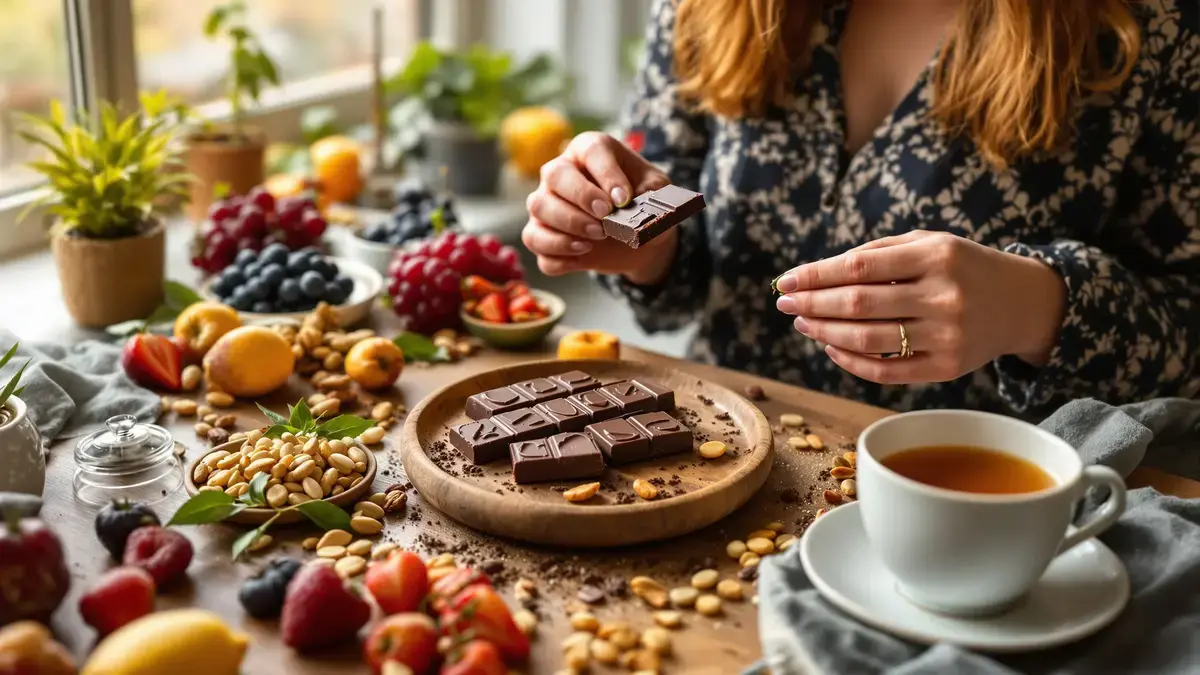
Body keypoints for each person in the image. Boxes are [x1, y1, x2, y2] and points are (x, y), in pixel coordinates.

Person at [522, 0, 1199, 416]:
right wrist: (637, 241)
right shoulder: (710, 6)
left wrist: (1039, 307)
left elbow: (1187, 328)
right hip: (714, 473)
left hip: (987, 517)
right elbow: (676, 286)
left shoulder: (1151, 25)